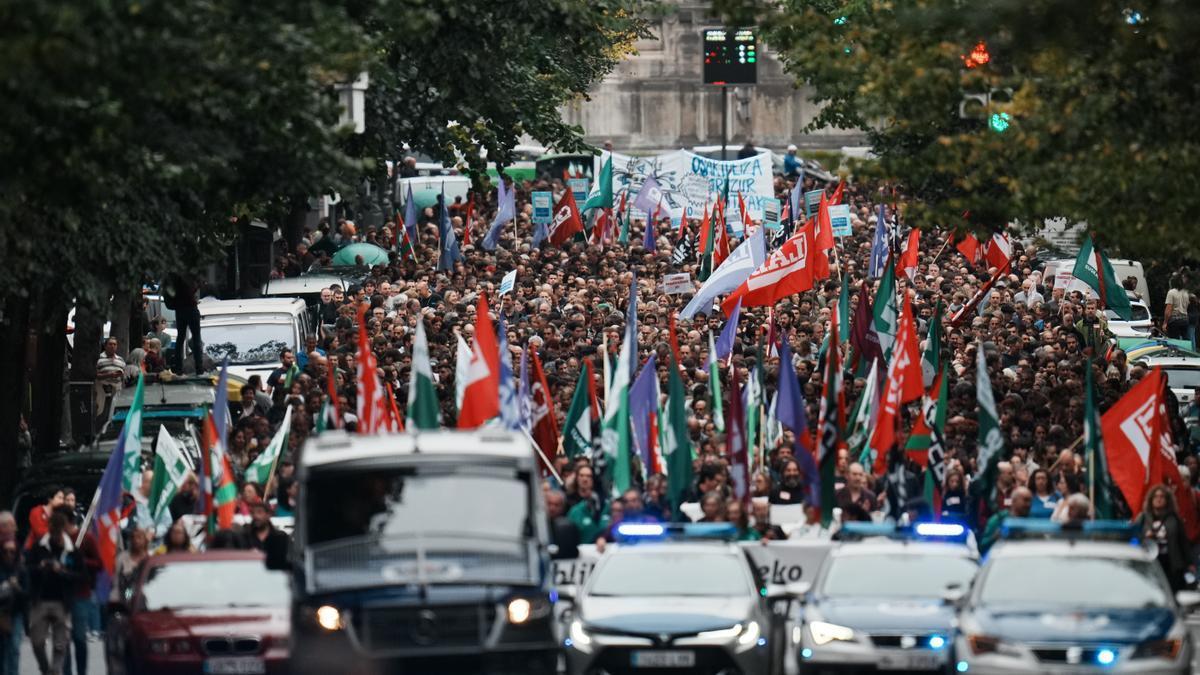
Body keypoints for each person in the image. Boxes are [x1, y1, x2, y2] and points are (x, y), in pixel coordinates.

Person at [27, 508, 82, 675]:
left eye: (59, 533)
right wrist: (40, 567)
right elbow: (27, 570)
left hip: (62, 601)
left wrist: (63, 571)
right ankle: (45, 669)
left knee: (61, 643)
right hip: (41, 599)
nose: (57, 537)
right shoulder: (39, 547)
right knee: (37, 641)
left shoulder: (71, 549)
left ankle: (56, 671)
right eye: (54, 533)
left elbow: (81, 575)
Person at [1134, 485, 1192, 592]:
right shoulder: (1143, 517)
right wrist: (1145, 536)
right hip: (1151, 562)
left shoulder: (1174, 518)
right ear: (1151, 500)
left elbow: (1183, 541)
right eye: (1156, 497)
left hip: (1171, 563)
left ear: (1167, 500)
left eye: (1162, 497)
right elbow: (1133, 539)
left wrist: (1189, 563)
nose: (1158, 499)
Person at [165, 272, 203, 375]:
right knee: (196, 338)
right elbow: (193, 289)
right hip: (191, 309)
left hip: (179, 310)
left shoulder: (172, 278)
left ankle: (178, 367)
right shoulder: (188, 276)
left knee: (180, 338)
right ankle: (199, 368)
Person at [0, 534, 28, 675]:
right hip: (1, 612)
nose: (9, 555)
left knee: (14, 647)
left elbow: (28, 595)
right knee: (2, 649)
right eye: (5, 551)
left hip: (15, 613)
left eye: (12, 551)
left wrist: (17, 588)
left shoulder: (21, 570)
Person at [980, 487, 1032, 554]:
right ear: (1014, 500)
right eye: (1025, 500)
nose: (1029, 504)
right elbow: (983, 546)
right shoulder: (998, 519)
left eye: (1030, 501)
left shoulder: (1032, 520)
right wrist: (995, 537)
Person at [545, 489, 580, 560]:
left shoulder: (568, 527)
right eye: (549, 504)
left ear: (563, 507)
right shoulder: (535, 525)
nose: (552, 508)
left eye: (556, 505)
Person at [94, 337, 125, 417]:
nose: (112, 346)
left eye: (114, 344)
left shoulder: (121, 360)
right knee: (101, 413)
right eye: (110, 344)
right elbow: (94, 375)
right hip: (102, 390)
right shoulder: (99, 359)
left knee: (114, 413)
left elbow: (123, 376)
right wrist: (109, 375)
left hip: (117, 391)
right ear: (105, 346)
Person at [1164, 274, 1192, 341]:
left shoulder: (1171, 292)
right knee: (1186, 341)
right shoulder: (1186, 293)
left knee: (1174, 341)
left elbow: (1168, 310)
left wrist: (1165, 322)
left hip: (1174, 321)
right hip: (1185, 320)